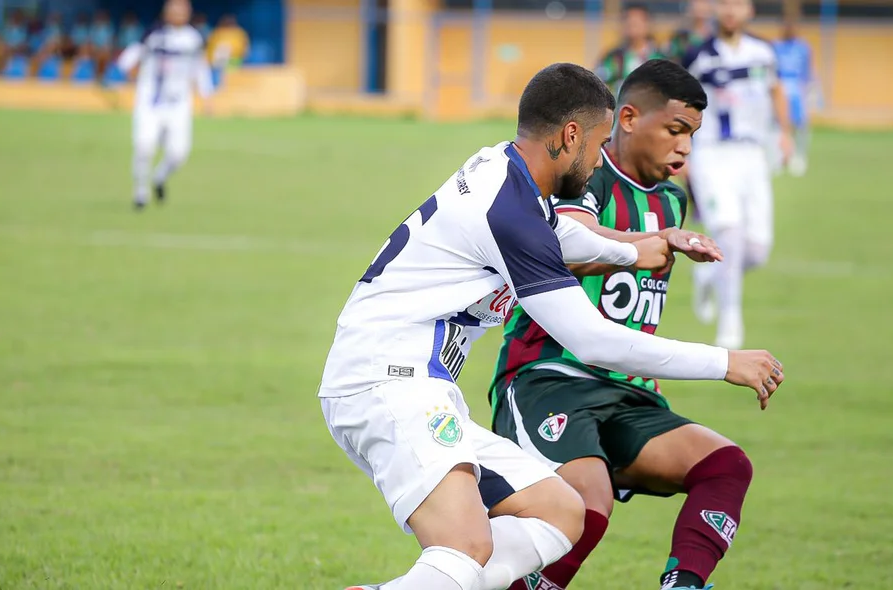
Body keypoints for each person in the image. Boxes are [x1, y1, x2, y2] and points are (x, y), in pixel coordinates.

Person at [320, 61, 784, 590]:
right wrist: (725, 362)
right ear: (570, 136)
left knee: (561, 511)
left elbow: (559, 236)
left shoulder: (506, 171)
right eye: (597, 143)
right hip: (387, 384)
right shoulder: (510, 211)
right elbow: (592, 339)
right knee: (466, 548)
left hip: (415, 384)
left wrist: (638, 251)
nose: (597, 158)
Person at [491, 59, 770, 590]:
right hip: (550, 378)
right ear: (626, 118)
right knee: (586, 508)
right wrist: (650, 245)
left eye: (692, 135)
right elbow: (566, 246)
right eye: (675, 130)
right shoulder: (584, 173)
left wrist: (661, 237)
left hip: (629, 390)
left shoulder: (671, 200)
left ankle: (682, 584)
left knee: (726, 465)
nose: (685, 148)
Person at [683, 0, 793, 350]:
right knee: (728, 234)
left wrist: (785, 133)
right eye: (724, 3)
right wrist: (682, 150)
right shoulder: (697, 56)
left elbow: (776, 90)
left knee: (757, 250)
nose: (731, 10)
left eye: (738, 4)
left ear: (750, 10)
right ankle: (730, 321)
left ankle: (708, 275)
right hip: (712, 155)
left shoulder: (763, 52)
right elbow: (678, 103)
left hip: (752, 157)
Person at [117, 0, 214, 210]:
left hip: (178, 104)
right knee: (144, 145)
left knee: (178, 154)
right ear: (166, 12)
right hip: (150, 101)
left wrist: (207, 98)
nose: (178, 13)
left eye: (183, 10)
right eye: (175, 9)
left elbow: (201, 69)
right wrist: (128, 70)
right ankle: (140, 193)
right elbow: (129, 58)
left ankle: (159, 177)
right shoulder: (153, 34)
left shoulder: (193, 38)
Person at [595, 2, 668, 96]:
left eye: (637, 20)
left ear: (648, 24)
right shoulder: (612, 58)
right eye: (627, 19)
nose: (631, 23)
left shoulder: (661, 58)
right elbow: (598, 85)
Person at [773, 18, 813, 176]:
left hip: (797, 89)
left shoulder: (803, 48)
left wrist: (810, 89)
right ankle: (780, 157)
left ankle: (800, 156)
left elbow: (807, 70)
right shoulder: (776, 46)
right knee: (777, 124)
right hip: (780, 87)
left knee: (801, 124)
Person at [668, 0, 712, 64]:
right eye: (697, 2)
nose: (700, 6)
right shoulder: (681, 37)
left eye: (704, 2)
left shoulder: (716, 36)